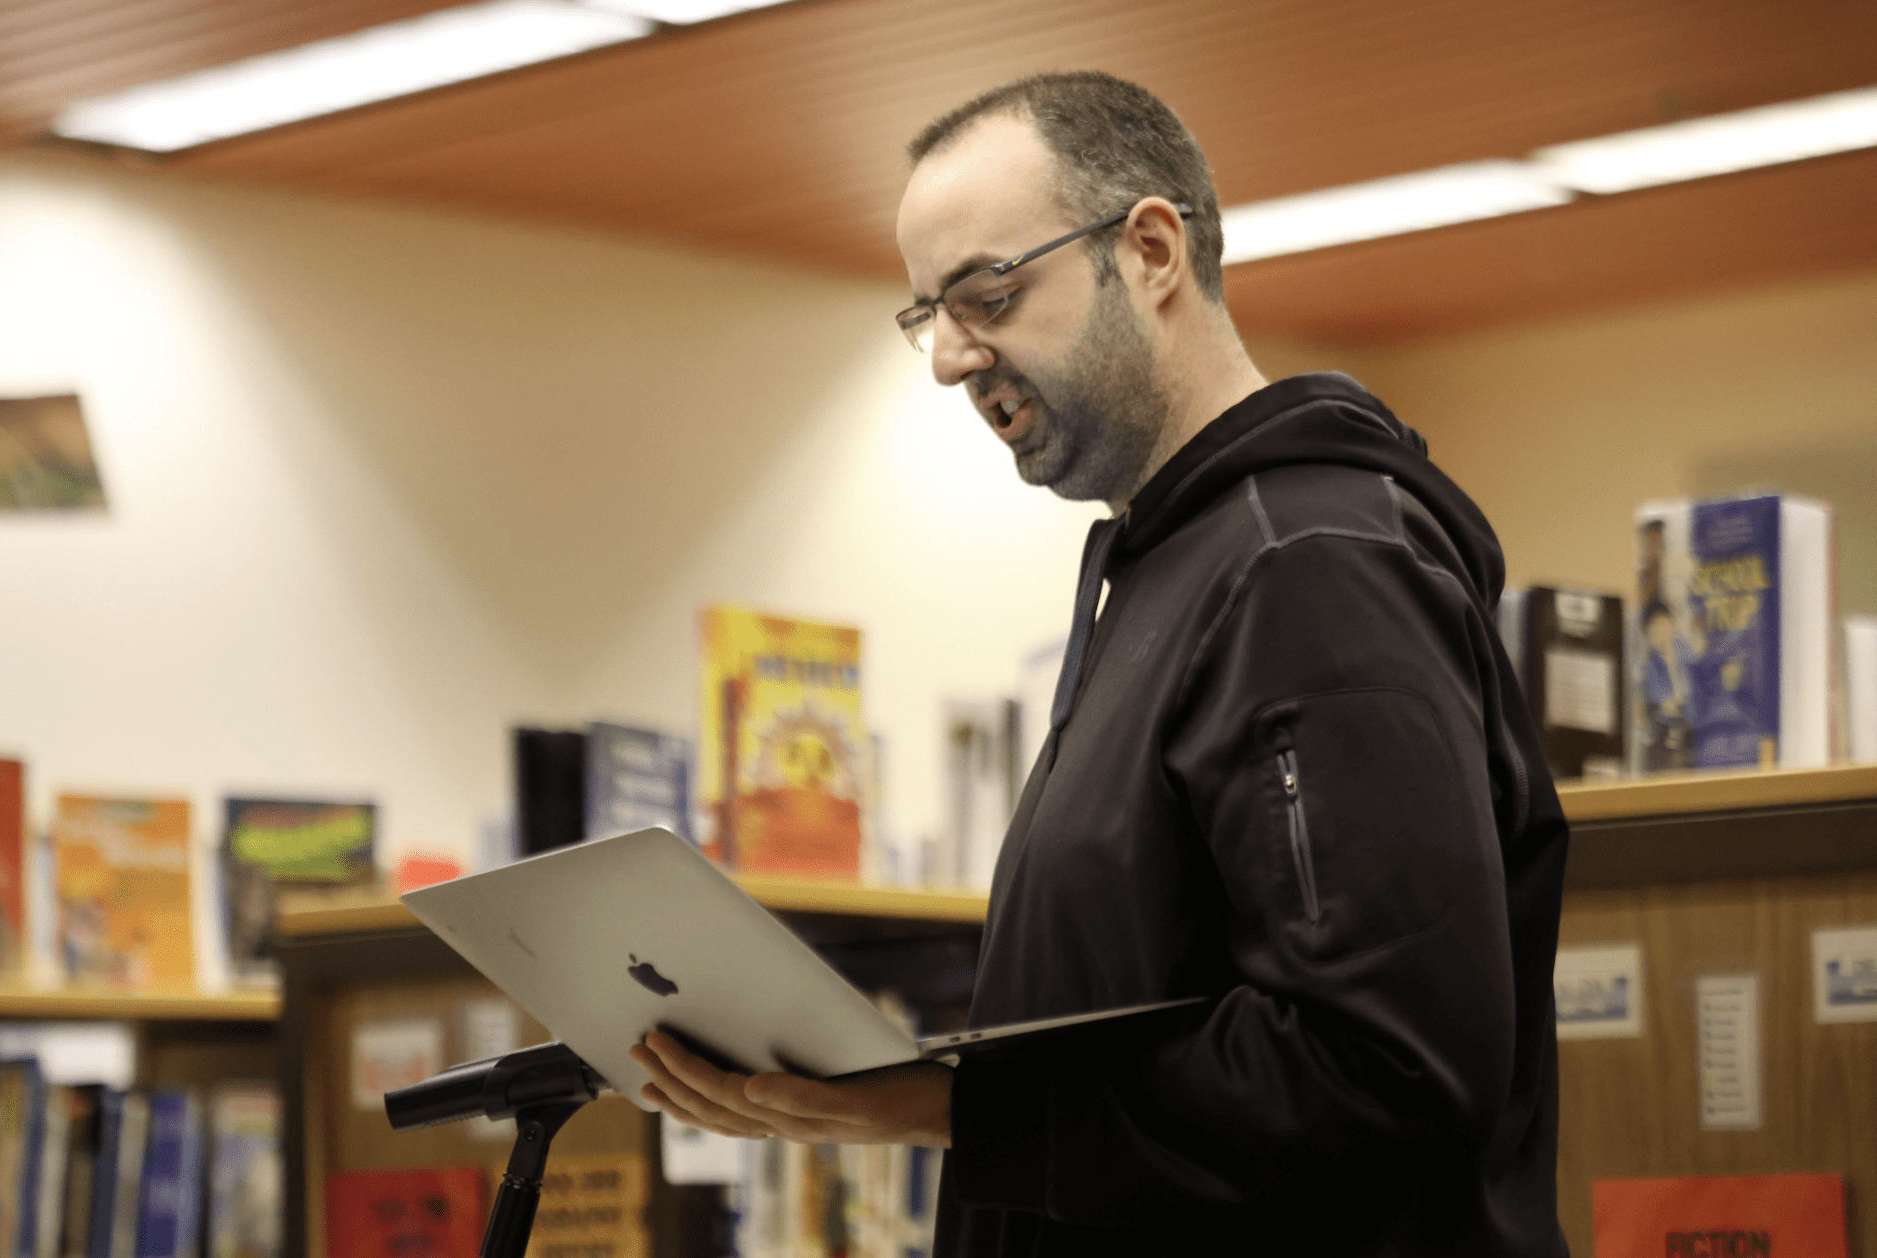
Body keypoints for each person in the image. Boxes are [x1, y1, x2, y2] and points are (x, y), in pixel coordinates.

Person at [633, 71, 1570, 1257]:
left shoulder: (1310, 568)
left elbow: (1381, 1059)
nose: (949, 360)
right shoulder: (1166, 565)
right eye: (929, 315)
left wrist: (952, 1104)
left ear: (1149, 250)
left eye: (986, 294)